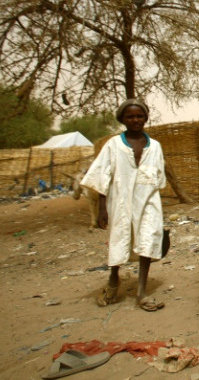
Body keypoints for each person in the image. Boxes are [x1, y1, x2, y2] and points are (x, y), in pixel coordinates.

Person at [82, 99, 167, 312]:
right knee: (119, 239)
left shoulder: (155, 146)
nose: (135, 120)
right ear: (123, 119)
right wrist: (102, 209)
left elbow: (159, 178)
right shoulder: (114, 145)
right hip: (119, 202)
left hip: (148, 202)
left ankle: (141, 292)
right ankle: (113, 279)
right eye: (130, 116)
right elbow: (102, 176)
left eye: (139, 116)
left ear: (146, 118)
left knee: (147, 240)